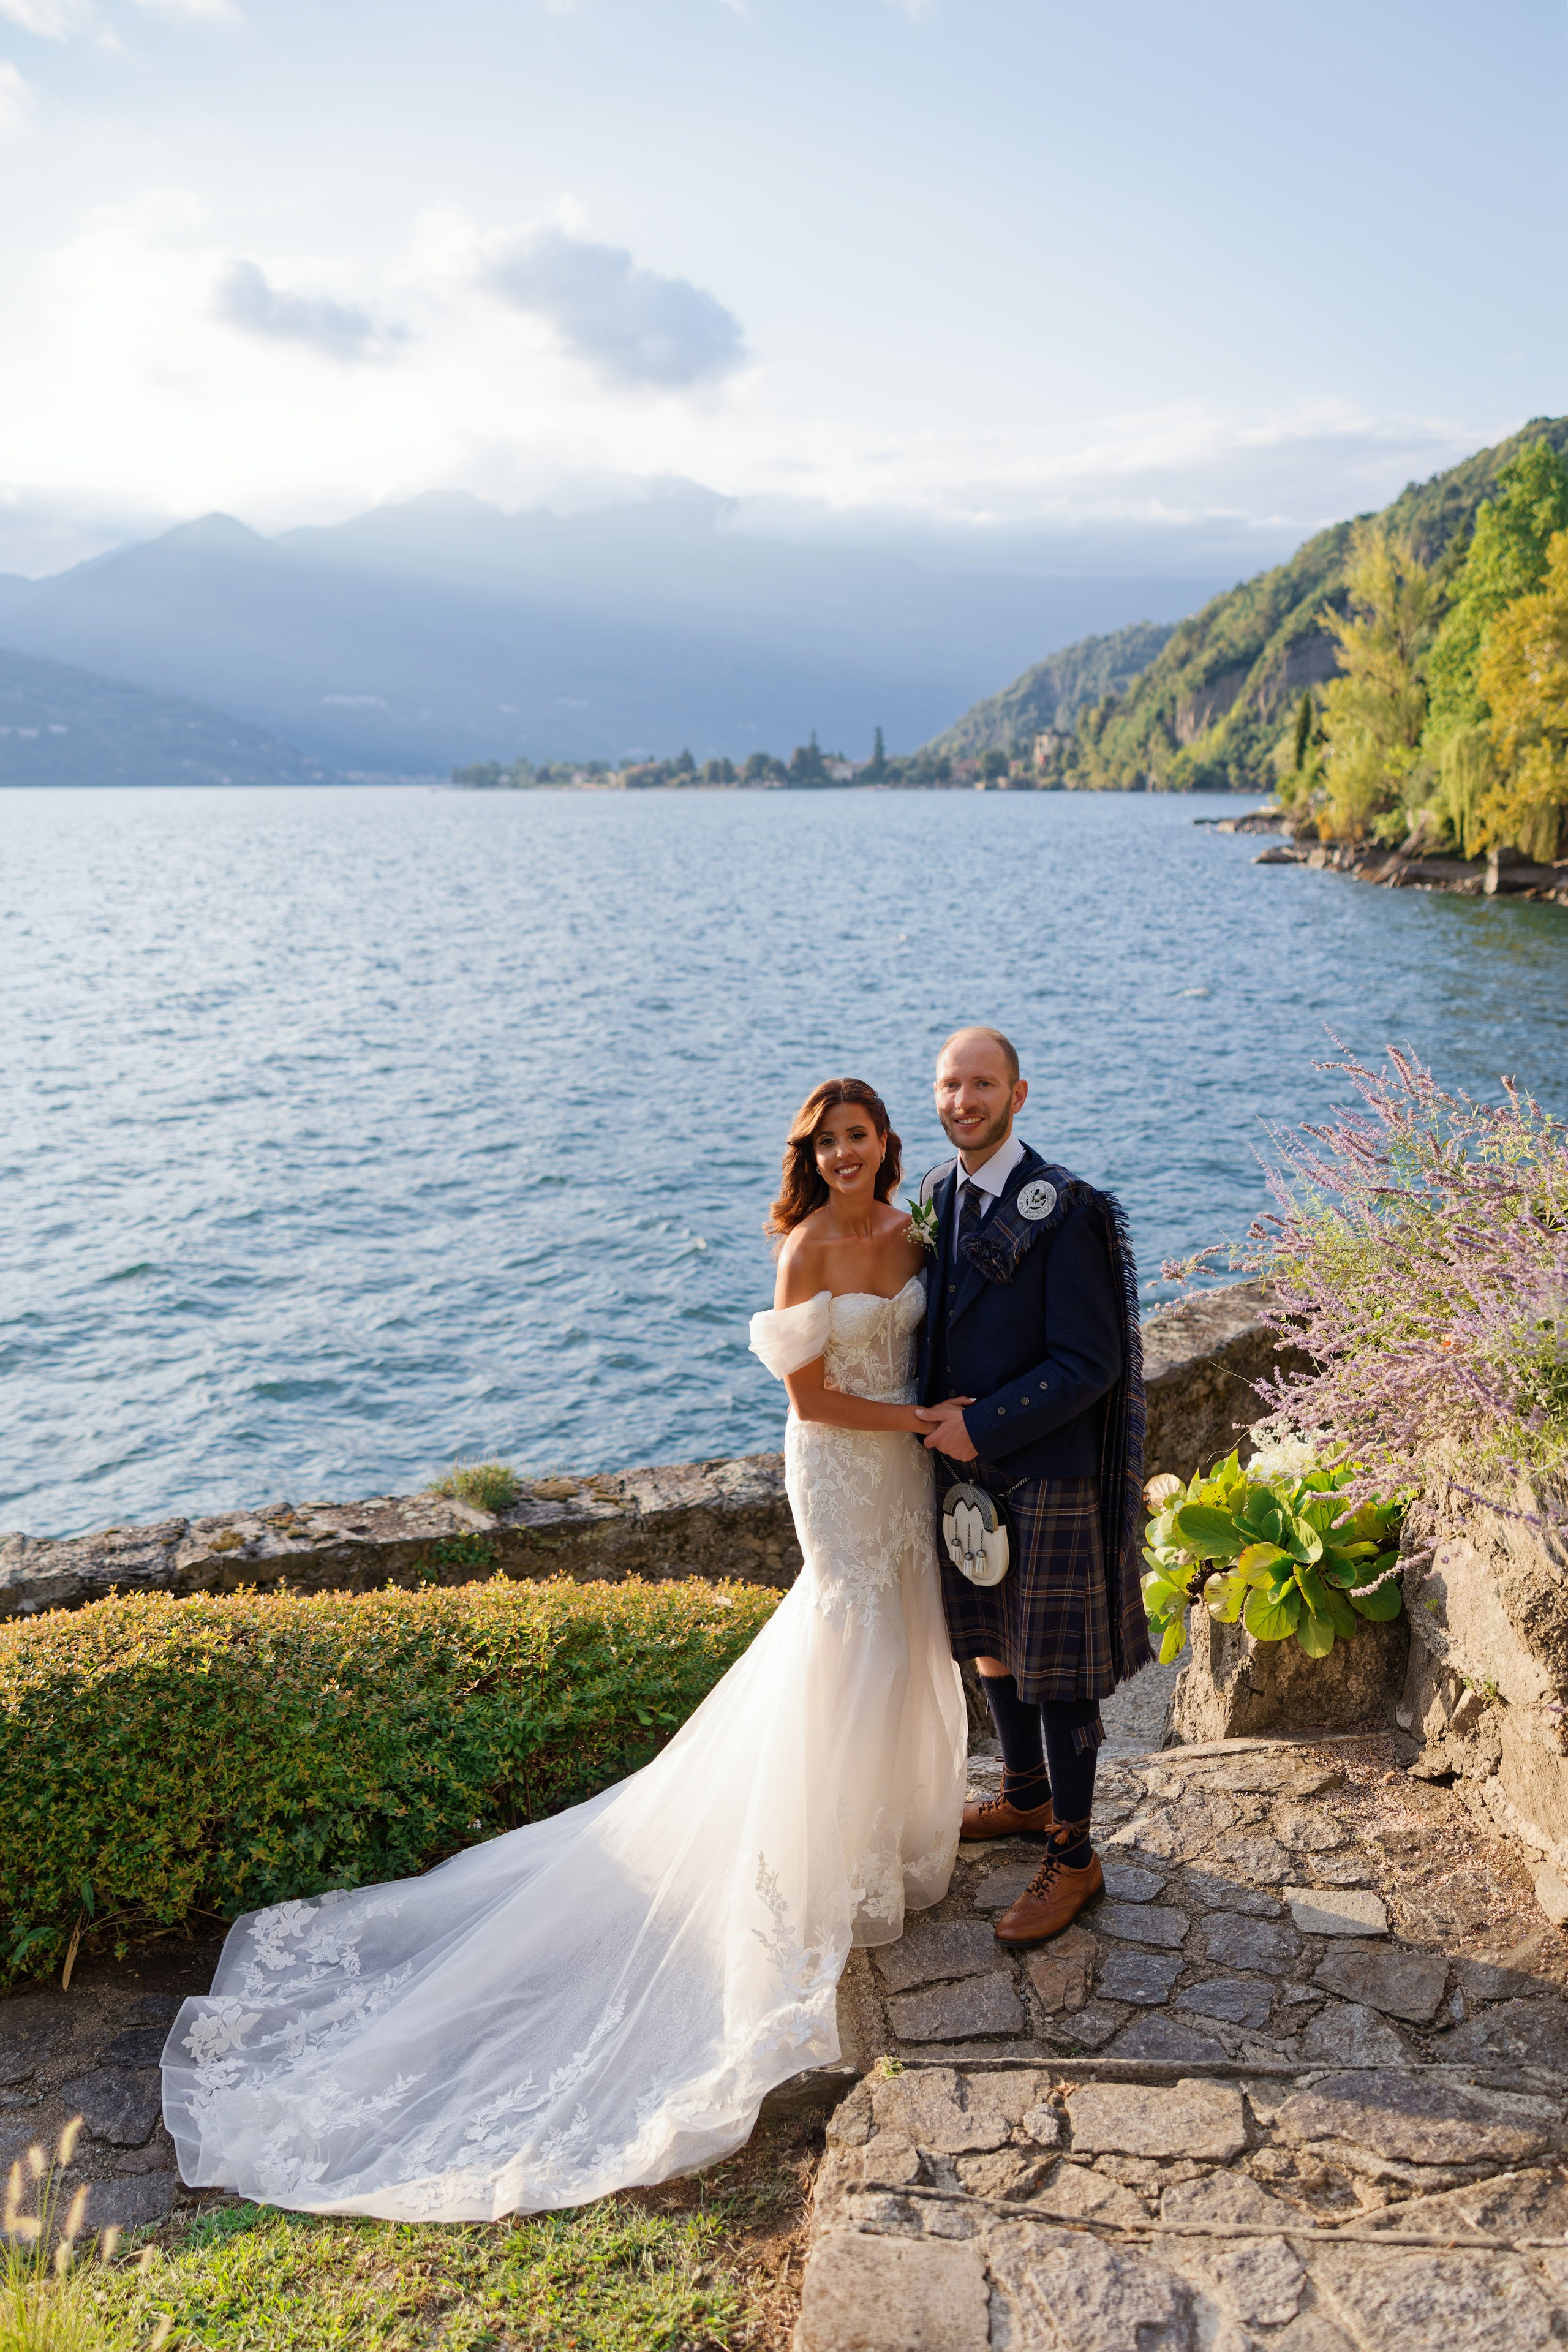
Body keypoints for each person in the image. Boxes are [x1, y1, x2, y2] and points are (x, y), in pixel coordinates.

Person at [159, 1076, 965, 2223]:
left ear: (886, 1142)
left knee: (903, 1635)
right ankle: (806, 1878)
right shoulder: (803, 1255)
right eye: (826, 1141)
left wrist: (940, 1423)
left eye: (858, 1136)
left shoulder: (910, 1229)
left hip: (908, 1468)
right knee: (845, 1638)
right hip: (843, 1470)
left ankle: (877, 1839)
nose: (844, 1154)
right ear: (812, 1153)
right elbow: (816, 1401)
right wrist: (924, 1422)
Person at [913, 1027, 1149, 1948]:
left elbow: (1089, 1363)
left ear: (1018, 1093)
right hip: (965, 1477)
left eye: (981, 1085)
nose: (962, 1101)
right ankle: (1021, 1796)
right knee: (991, 1648)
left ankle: (1076, 1856)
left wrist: (986, 1423)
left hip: (1045, 1471)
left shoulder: (1067, 1209)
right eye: (948, 1085)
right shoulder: (937, 1193)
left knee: (1060, 1679)